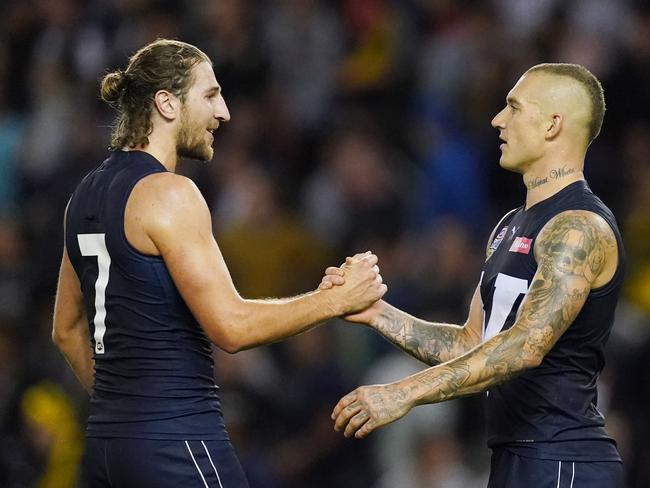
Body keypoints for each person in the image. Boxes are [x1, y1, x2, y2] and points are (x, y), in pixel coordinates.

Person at [51, 39, 386, 488]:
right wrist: (337, 300)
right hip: (177, 441)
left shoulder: (83, 196)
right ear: (166, 103)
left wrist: (126, 412)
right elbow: (231, 326)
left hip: (106, 449)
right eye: (209, 95)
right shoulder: (171, 194)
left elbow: (65, 330)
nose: (224, 112)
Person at [323, 63, 625, 487]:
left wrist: (403, 392)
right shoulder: (509, 226)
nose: (497, 120)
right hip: (515, 458)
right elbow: (472, 343)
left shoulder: (578, 228)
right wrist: (375, 312)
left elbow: (524, 347)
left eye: (514, 108)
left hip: (564, 460)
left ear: (553, 124)